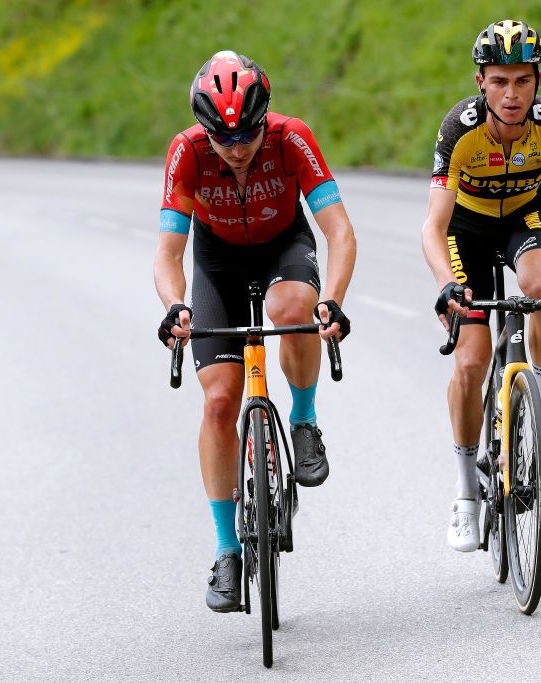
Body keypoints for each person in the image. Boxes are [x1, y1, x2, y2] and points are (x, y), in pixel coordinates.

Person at [154, 51, 356, 611]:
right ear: (205, 130)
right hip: (217, 264)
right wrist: (175, 306)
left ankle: (305, 419)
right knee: (220, 402)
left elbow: (338, 230)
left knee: (294, 308)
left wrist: (333, 300)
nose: (238, 150)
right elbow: (169, 252)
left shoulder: (292, 140)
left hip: (283, 246)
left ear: (265, 118)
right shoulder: (187, 152)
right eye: (224, 139)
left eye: (247, 136)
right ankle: (225, 551)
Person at [421, 20, 541, 552]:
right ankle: (466, 494)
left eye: (523, 82)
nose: (511, 95)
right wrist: (446, 285)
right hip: (466, 230)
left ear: (538, 80)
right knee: (469, 361)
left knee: (540, 282)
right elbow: (432, 227)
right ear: (481, 80)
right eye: (500, 81)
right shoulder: (458, 130)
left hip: (525, 219)